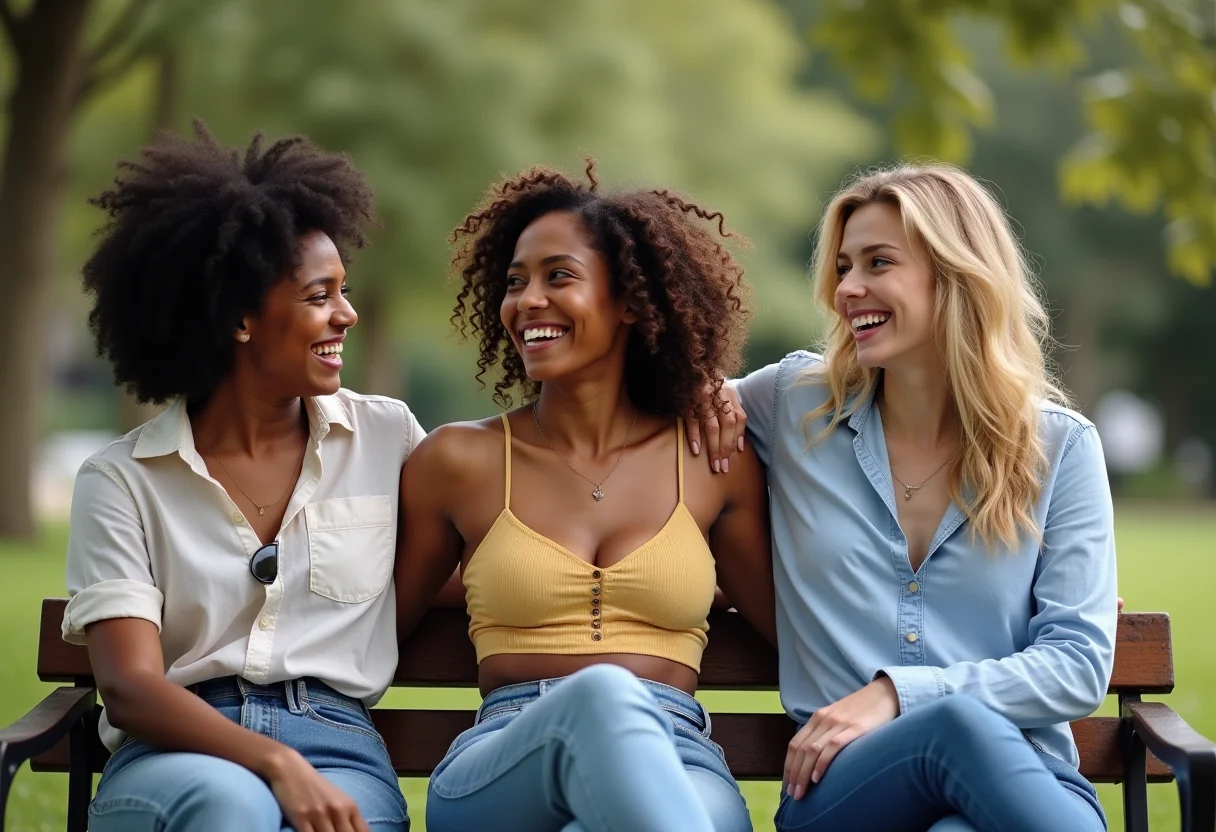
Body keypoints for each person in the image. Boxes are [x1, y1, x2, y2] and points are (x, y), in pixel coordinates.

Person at [694, 162, 1117, 831]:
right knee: (952, 726)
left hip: (1021, 782)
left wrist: (897, 694)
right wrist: (699, 393)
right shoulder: (793, 404)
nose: (846, 289)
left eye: (878, 263)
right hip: (841, 790)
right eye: (843, 267)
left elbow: (1077, 666)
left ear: (957, 274)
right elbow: (660, 413)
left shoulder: (1060, 447)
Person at [393, 162, 776, 832]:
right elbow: (379, 627)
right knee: (603, 694)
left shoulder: (711, 461)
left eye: (558, 276)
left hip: (679, 754)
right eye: (515, 282)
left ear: (630, 301)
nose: (527, 301)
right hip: (506, 757)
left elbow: (788, 626)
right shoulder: (459, 462)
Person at [62, 122, 415, 832]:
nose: (346, 314)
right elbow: (129, 687)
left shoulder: (387, 438)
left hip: (340, 747)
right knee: (232, 805)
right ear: (241, 319)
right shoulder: (122, 480)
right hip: (175, 748)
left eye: (344, 291)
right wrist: (275, 763)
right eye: (319, 296)